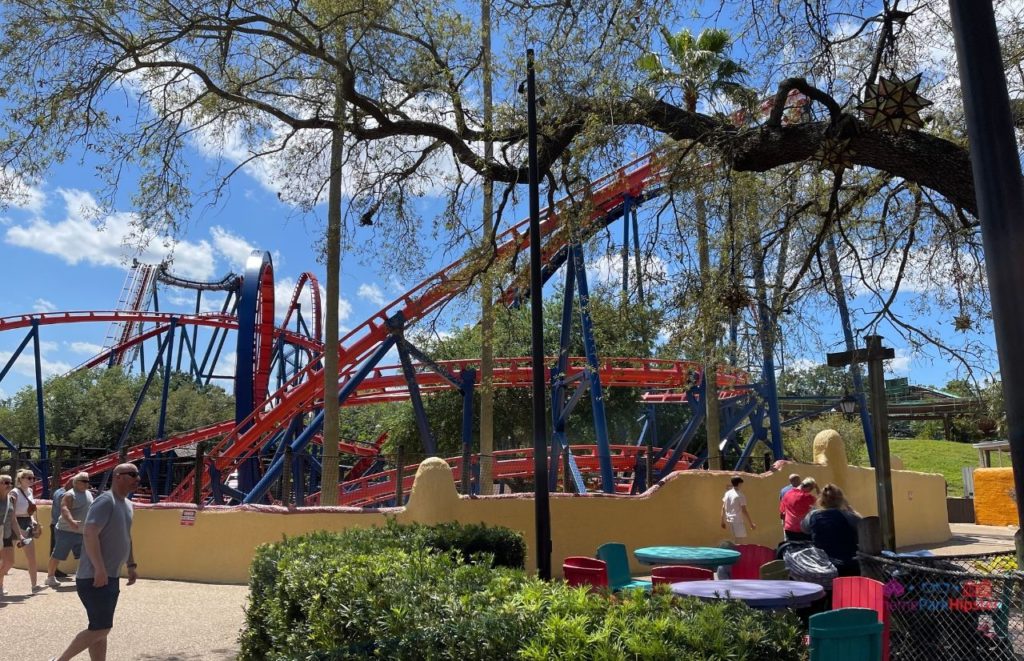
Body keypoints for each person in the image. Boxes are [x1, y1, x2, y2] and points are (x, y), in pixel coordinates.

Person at [53, 464, 140, 661]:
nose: (138, 478)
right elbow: (90, 533)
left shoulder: (126, 504)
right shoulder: (105, 501)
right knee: (102, 628)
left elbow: (126, 536)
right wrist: (99, 569)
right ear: (118, 477)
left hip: (110, 575)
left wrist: (131, 564)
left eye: (138, 474)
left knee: (99, 628)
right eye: (133, 474)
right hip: (94, 576)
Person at [801, 483, 861, 577]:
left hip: (822, 565)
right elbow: (863, 525)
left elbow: (804, 529)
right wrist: (849, 507)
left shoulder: (812, 515)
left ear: (821, 500)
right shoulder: (847, 515)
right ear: (840, 499)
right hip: (847, 564)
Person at [46, 472, 94, 587]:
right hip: (66, 530)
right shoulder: (69, 495)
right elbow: (64, 509)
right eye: (84, 481)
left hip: (82, 531)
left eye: (88, 481)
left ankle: (82, 576)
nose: (87, 483)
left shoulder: (89, 493)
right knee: (58, 555)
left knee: (85, 555)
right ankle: (50, 577)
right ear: (76, 483)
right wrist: (71, 521)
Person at [1, 473, 31, 596]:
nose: (9, 485)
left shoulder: (11, 499)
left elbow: (13, 520)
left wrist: (20, 536)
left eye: (10, 483)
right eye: (6, 482)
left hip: (6, 534)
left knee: (9, 562)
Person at [12, 467, 41, 589]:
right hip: (14, 523)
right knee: (6, 558)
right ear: (21, 479)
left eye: (33, 478)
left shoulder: (29, 491)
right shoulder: (14, 492)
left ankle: (34, 585)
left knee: (31, 557)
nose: (32, 480)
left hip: (27, 522)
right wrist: (18, 529)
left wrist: (33, 521)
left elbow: (30, 511)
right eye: (29, 478)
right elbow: (11, 513)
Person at [49, 474, 72, 580]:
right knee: (56, 549)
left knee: (54, 548)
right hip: (59, 524)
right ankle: (53, 572)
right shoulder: (65, 495)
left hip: (54, 522)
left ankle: (54, 571)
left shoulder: (58, 491)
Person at [779, 477, 817, 541]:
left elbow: (782, 512)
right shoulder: (807, 497)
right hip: (803, 530)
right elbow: (821, 503)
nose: (810, 491)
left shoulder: (787, 494)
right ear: (808, 487)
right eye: (811, 489)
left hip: (789, 529)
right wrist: (817, 488)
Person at [720, 475, 756, 540]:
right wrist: (751, 523)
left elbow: (723, 507)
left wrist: (722, 521)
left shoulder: (727, 493)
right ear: (739, 484)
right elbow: (744, 510)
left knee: (733, 541)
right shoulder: (740, 495)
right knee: (740, 542)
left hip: (729, 520)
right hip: (737, 521)